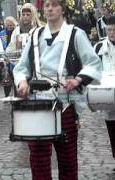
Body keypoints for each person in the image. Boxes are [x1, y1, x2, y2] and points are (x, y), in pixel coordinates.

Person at [13, 0, 101, 179]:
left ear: (62, 9)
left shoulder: (76, 34)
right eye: (47, 5)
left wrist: (77, 80)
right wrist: (22, 82)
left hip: (65, 103)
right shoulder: (35, 35)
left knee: (67, 157)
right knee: (38, 158)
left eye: (54, 4)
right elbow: (21, 68)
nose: (50, 8)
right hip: (37, 103)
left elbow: (93, 63)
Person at [94, 15, 115, 170]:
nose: (112, 32)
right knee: (112, 129)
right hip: (107, 93)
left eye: (114, 30)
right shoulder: (99, 47)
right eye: (109, 30)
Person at [0, 16, 17, 97]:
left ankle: (17, 94)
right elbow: (1, 46)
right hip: (6, 58)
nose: (9, 27)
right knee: (6, 77)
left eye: (11, 25)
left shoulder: (17, 32)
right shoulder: (2, 33)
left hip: (15, 57)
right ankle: (7, 95)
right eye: (8, 25)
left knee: (15, 77)